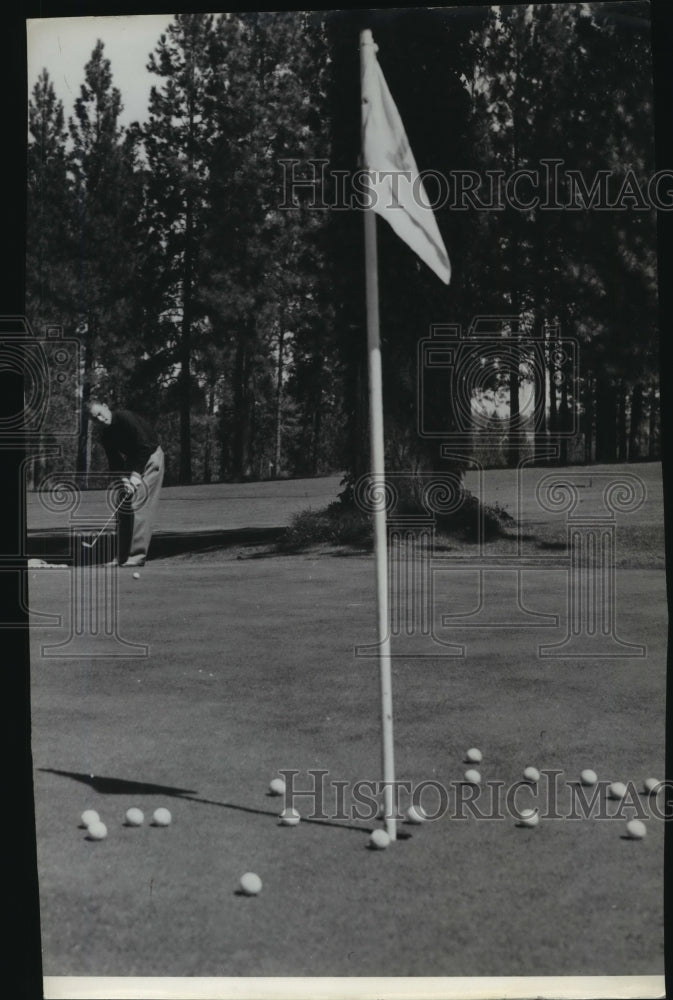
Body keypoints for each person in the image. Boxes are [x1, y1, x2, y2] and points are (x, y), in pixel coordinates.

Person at [87, 401, 164, 567]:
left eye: (101, 413)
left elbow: (144, 446)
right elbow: (115, 462)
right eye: (96, 418)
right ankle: (120, 556)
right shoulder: (105, 435)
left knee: (138, 503)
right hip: (133, 461)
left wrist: (135, 477)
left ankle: (136, 556)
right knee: (122, 504)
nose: (101, 418)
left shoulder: (125, 417)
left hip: (151, 457)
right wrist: (123, 480)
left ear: (106, 406)